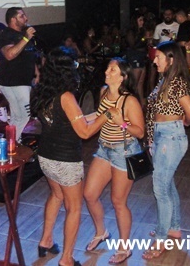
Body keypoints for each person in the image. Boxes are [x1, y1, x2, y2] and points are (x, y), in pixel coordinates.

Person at [31, 48, 111, 266]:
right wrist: (108, 115)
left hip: (46, 156)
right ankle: (66, 258)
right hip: (65, 160)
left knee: (56, 195)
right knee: (74, 207)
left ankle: (46, 240)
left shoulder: (42, 91)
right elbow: (84, 132)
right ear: (67, 69)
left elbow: (72, 120)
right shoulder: (66, 96)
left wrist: (97, 115)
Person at [83, 58, 146, 264]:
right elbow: (100, 114)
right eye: (108, 68)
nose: (107, 72)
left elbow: (140, 132)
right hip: (104, 149)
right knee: (89, 194)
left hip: (124, 151)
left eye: (113, 70)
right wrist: (79, 119)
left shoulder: (129, 101)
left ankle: (124, 248)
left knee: (118, 202)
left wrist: (122, 123)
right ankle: (101, 232)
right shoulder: (103, 92)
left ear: (122, 77)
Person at [142, 41, 190, 260]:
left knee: (160, 189)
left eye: (158, 57)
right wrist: (150, 138)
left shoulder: (177, 82)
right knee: (167, 184)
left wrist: (181, 123)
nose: (154, 60)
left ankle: (161, 238)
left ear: (171, 59)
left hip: (170, 137)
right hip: (161, 136)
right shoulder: (165, 80)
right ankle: (173, 227)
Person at [0, 7, 37, 142]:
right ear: (13, 19)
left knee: (16, 116)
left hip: (23, 81)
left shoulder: (23, 34)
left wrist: (36, 72)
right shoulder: (6, 35)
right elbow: (9, 55)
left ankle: (12, 143)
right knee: (25, 116)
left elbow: (29, 54)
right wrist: (26, 38)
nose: (26, 18)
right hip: (13, 81)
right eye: (22, 16)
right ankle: (12, 143)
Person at [124, 15, 147, 104]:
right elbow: (133, 45)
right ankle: (130, 103)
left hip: (142, 57)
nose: (142, 22)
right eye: (140, 20)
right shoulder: (131, 32)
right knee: (134, 83)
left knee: (140, 83)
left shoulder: (141, 31)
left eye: (143, 20)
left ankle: (141, 104)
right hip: (134, 57)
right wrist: (144, 38)